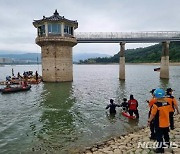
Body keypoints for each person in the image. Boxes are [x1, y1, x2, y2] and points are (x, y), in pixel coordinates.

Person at [148, 88, 171, 153]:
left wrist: (149, 120)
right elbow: (169, 111)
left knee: (159, 136)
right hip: (166, 122)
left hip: (159, 123)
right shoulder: (167, 103)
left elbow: (152, 114)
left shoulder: (156, 105)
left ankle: (160, 149)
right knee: (166, 134)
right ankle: (167, 144)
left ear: (156, 96)